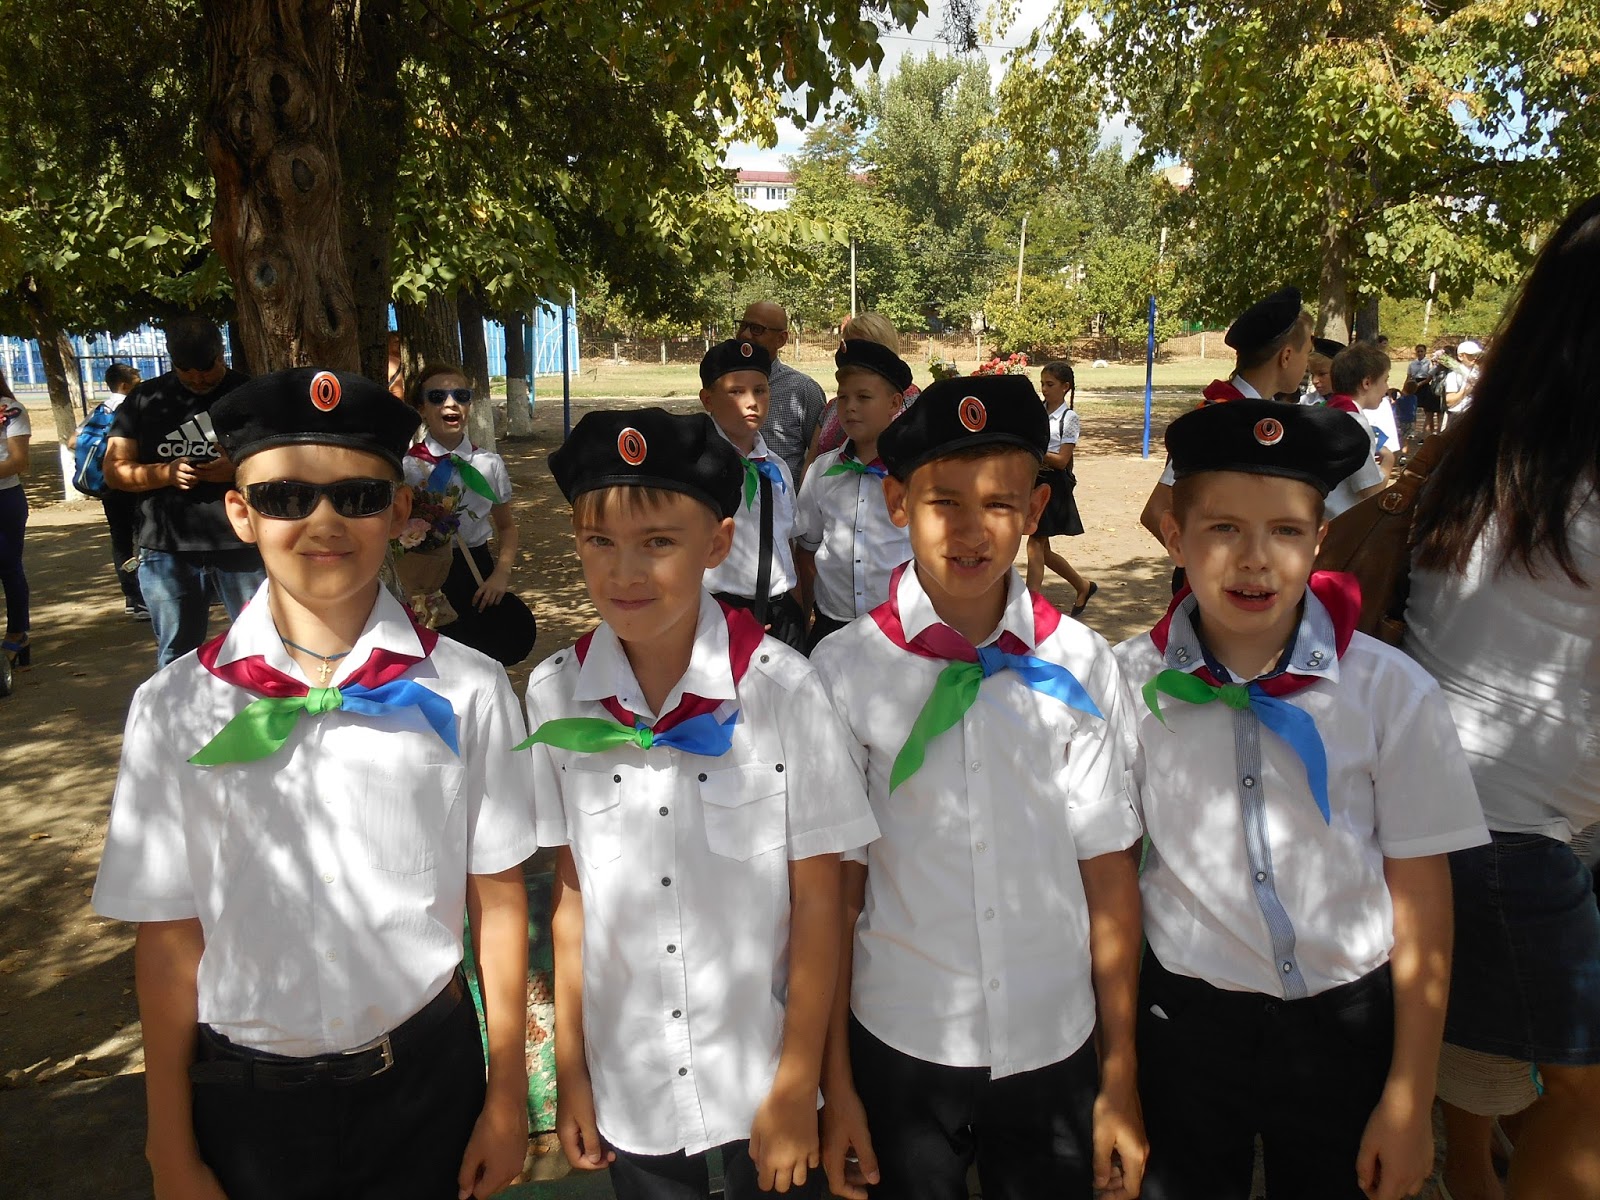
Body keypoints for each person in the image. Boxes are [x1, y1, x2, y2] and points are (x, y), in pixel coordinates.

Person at [91, 367, 542, 1200]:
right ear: (241, 512)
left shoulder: (468, 689)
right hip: (248, 1105)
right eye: (286, 497)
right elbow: (168, 936)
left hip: (427, 1086)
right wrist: (168, 1146)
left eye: (358, 498)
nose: (324, 522)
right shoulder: (175, 706)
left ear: (399, 512)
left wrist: (508, 1096)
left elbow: (499, 896)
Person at [1118, 398, 1488, 1200]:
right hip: (1187, 1021)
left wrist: (1410, 1092)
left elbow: (1423, 896)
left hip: (1347, 1022)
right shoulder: (1126, 684)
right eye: (1223, 528)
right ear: (1175, 536)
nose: (1255, 559)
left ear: (1320, 540)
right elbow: (1107, 875)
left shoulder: (1390, 692)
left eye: (1285, 530)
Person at [525, 406, 878, 1200]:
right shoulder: (554, 695)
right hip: (632, 1082)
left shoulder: (785, 690)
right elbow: (571, 900)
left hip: (762, 1070)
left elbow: (820, 903)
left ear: (717, 544)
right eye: (599, 542)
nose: (625, 573)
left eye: (658, 542)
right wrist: (571, 1072)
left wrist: (800, 1083)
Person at [812, 376, 1149, 1200]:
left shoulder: (1080, 661)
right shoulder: (845, 670)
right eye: (944, 503)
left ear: (1036, 509)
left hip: (1053, 1033)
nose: (971, 531)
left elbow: (1108, 869)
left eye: (999, 504)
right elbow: (835, 891)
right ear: (898, 502)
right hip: (903, 1033)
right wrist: (837, 1085)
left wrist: (1120, 1074)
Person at [1404, 191, 1600, 1200]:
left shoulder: (1478, 459)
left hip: (1439, 812)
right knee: (1583, 1094)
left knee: (1490, 1061)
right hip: (1512, 836)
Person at [104, 314, 264, 667]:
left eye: (206, 369)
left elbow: (286, 461)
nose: (197, 379)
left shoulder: (250, 395)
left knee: (258, 647)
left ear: (221, 354)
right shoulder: (145, 398)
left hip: (241, 545)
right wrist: (165, 473)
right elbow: (114, 470)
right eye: (185, 370)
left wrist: (237, 469)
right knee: (176, 654)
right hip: (167, 549)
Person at [1139, 287, 1314, 547]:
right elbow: (1156, 510)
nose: (1308, 363)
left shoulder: (1266, 417)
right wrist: (1203, 566)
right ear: (1286, 356)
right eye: (1307, 352)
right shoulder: (1217, 419)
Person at [403, 363, 538, 667]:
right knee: (434, 664)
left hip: (476, 574)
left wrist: (500, 575)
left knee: (482, 662)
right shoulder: (407, 468)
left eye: (460, 395)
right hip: (426, 576)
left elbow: (507, 527)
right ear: (421, 407)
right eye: (437, 397)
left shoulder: (489, 464)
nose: (451, 403)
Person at [793, 338, 913, 652]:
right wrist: (805, 616)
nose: (850, 407)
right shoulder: (822, 471)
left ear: (894, 404)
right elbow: (807, 550)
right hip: (832, 626)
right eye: (843, 397)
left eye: (863, 397)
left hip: (899, 628)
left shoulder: (916, 476)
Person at [698, 338, 805, 650]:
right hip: (720, 614)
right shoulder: (698, 471)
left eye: (760, 390)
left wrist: (799, 611)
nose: (752, 402)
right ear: (708, 399)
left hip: (781, 612)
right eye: (736, 392)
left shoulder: (777, 468)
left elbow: (786, 544)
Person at [75, 363, 147, 618]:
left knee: (120, 539)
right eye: (137, 382)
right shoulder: (131, 408)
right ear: (125, 385)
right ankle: (144, 595)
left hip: (107, 485)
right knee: (143, 537)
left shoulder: (101, 409)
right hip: (130, 480)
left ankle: (132, 597)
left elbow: (73, 440)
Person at [1029, 360, 1097, 616]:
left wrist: (1035, 451)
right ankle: (1082, 585)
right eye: (1042, 384)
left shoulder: (1069, 419)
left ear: (1065, 387)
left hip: (1053, 484)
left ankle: (1031, 603)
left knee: (1035, 541)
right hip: (1034, 481)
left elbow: (1062, 460)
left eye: (1050, 384)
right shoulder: (1037, 413)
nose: (1044, 389)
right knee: (1042, 549)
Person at [810, 313, 919, 463]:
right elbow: (813, 459)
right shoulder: (835, 406)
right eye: (849, 346)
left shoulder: (913, 405)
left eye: (865, 348)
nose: (855, 356)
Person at [740, 301, 826, 482]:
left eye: (756, 329)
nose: (745, 335)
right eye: (743, 326)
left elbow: (821, 457)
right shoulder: (722, 386)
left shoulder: (803, 389)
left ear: (781, 339)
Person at [1331, 342, 1398, 481]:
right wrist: (1389, 459)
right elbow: (1370, 488)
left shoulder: (1329, 411)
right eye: (1385, 380)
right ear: (1367, 383)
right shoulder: (1356, 424)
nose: (1386, 388)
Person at [0, 367, 30, 669]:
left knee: (8, 566)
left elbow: (19, 461)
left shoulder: (10, 410)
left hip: (4, 500)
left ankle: (17, 633)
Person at [1413, 345, 1446, 440]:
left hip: (1439, 392)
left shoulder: (1440, 369)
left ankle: (1436, 437)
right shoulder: (1437, 368)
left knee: (1437, 416)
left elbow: (1428, 378)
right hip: (1435, 392)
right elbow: (1428, 378)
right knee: (1431, 415)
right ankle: (1428, 437)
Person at [1444, 340, 1481, 419]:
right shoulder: (1453, 375)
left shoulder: (1479, 373)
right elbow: (1449, 402)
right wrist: (1466, 390)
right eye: (1470, 355)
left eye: (1476, 354)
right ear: (1460, 356)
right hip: (1458, 415)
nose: (1475, 357)